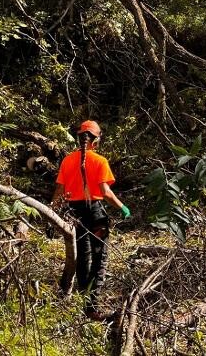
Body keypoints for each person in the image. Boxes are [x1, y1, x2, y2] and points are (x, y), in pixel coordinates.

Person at [52, 120, 130, 320]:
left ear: (80, 138)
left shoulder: (67, 161)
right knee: (99, 258)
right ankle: (91, 307)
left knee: (83, 258)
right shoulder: (100, 161)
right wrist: (122, 207)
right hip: (95, 215)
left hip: (74, 215)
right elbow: (105, 193)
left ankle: (83, 303)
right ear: (96, 140)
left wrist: (53, 215)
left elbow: (59, 193)